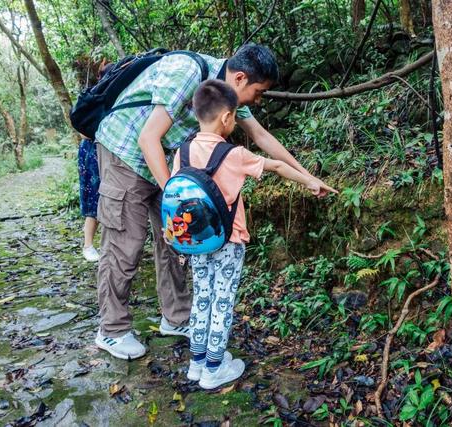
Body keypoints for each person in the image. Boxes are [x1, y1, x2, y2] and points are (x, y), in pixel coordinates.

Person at [93, 44, 335, 360]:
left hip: (168, 162)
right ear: (240, 77)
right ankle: (111, 330)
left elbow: (262, 138)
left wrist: (309, 177)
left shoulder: (226, 94)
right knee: (126, 241)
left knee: (176, 240)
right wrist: (176, 195)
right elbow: (147, 138)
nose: (258, 100)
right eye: (259, 92)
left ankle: (176, 318)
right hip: (125, 152)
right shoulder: (188, 72)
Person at [177, 80, 324, 389]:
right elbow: (276, 167)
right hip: (228, 240)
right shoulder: (234, 154)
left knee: (202, 296)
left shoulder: (183, 152)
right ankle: (214, 368)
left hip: (197, 241)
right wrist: (310, 182)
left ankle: (197, 362)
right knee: (222, 301)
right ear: (227, 117)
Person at [78, 61, 114, 262]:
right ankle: (88, 245)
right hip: (92, 152)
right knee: (94, 198)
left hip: (106, 150)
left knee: (107, 198)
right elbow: (83, 131)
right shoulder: (94, 97)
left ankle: (104, 245)